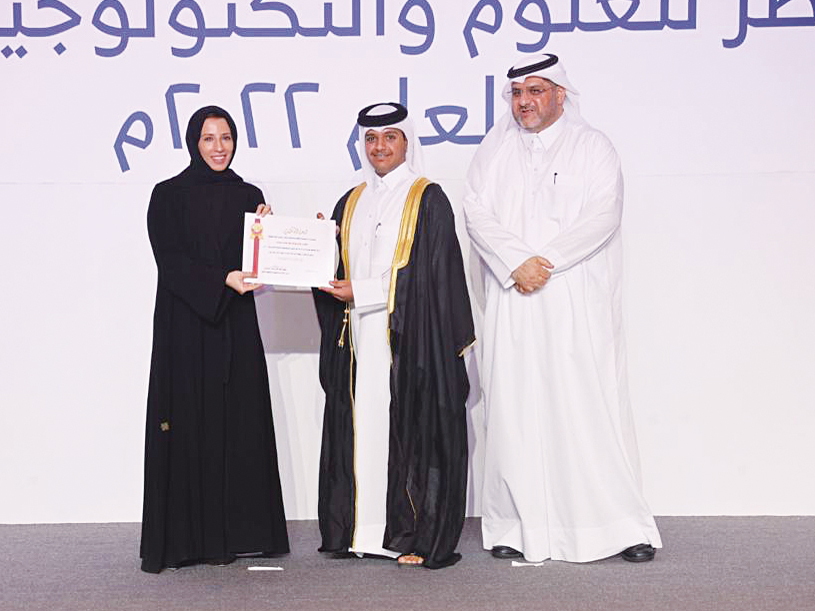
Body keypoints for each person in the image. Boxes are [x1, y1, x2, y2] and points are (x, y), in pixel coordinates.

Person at [463, 53, 662, 563]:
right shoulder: (493, 151)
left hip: (572, 295)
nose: (524, 102)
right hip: (514, 297)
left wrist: (543, 261)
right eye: (516, 93)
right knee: (513, 406)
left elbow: (604, 214)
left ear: (559, 94)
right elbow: (476, 212)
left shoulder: (592, 146)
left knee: (586, 404)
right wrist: (515, 262)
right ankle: (513, 525)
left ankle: (618, 525)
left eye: (535, 91)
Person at [312, 102, 474, 569]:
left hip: (409, 342)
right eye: (371, 139)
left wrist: (359, 289)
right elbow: (336, 270)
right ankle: (360, 533)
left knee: (403, 431)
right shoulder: (352, 200)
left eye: (390, 137)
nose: (379, 147)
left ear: (407, 143)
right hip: (358, 340)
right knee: (361, 428)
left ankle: (410, 535)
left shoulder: (428, 198)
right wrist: (313, 246)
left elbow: (429, 278)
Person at [140, 105, 290, 573]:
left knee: (238, 421)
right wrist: (220, 280)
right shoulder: (167, 195)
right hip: (185, 327)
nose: (219, 147)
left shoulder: (249, 194)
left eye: (226, 137)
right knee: (187, 420)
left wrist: (271, 236)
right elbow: (172, 261)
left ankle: (242, 533)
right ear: (193, 142)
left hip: (235, 326)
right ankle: (187, 540)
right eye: (208, 138)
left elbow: (255, 264)